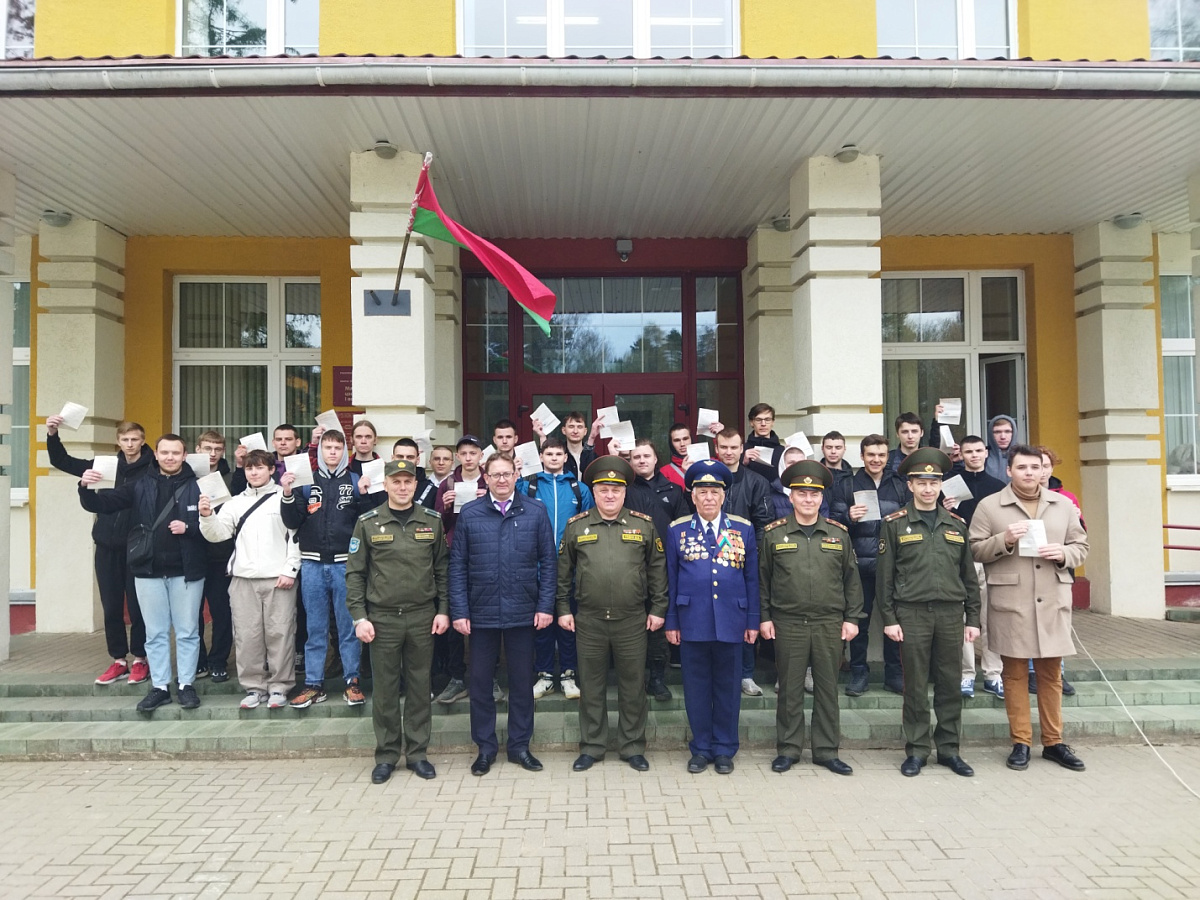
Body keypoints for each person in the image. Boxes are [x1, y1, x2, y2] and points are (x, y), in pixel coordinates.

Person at [969, 444, 1089, 773]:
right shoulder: (990, 506)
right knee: (1014, 674)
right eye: (1022, 467)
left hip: (1052, 598)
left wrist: (1063, 554)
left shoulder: (1063, 505)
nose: (1029, 473)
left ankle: (1053, 742)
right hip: (1012, 601)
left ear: (1044, 470)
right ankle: (1020, 742)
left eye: (1035, 467)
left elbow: (1081, 546)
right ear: (1009, 471)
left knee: (1051, 675)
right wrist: (1005, 539)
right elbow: (974, 549)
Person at [78, 434, 206, 713]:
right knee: (155, 633)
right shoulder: (138, 485)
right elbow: (101, 504)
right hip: (148, 571)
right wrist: (85, 487)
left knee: (187, 632)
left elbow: (220, 527)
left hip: (187, 571)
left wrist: (191, 527)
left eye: (175, 453)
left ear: (185, 456)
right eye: (165, 452)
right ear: (156, 455)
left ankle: (186, 685)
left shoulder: (201, 485)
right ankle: (160, 687)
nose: (170, 457)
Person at [448, 453, 557, 776]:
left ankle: (519, 746)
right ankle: (485, 748)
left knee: (522, 683)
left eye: (507, 474)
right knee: (480, 683)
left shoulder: (535, 511)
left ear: (515, 475)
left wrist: (545, 606)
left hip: (523, 612)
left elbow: (549, 562)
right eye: (495, 475)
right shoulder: (470, 513)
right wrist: (459, 610)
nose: (501, 480)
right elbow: (457, 567)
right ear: (486, 477)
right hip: (480, 614)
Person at [557, 457, 668, 772]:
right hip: (589, 620)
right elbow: (563, 573)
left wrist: (659, 608)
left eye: (615, 490)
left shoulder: (643, 525)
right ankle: (592, 747)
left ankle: (632, 746)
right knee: (591, 687)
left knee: (633, 686)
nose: (609, 495)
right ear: (594, 492)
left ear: (624, 493)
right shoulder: (576, 526)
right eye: (603, 490)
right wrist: (563, 609)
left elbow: (657, 569)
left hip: (631, 619)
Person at [877, 447, 980, 778]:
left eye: (934, 483)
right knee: (916, 686)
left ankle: (949, 749)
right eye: (921, 482)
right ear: (910, 485)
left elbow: (969, 576)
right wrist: (889, 619)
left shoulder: (956, 525)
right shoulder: (894, 525)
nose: (927, 489)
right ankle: (917, 750)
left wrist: (973, 618)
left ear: (941, 486)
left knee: (950, 683)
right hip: (912, 614)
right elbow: (884, 578)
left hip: (950, 614)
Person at [346, 459, 450, 782]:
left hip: (421, 617)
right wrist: (359, 618)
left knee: (420, 687)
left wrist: (443, 610)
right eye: (396, 482)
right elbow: (355, 574)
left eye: (408, 482)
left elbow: (442, 570)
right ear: (386, 485)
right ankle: (387, 755)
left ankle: (417, 753)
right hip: (383, 619)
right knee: (386, 690)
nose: (403, 487)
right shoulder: (368, 522)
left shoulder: (431, 521)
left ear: (415, 485)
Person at [760, 461, 862, 775]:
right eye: (801, 493)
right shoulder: (774, 534)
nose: (808, 499)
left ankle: (826, 751)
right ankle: (788, 749)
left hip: (828, 623)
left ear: (821, 498)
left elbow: (851, 580)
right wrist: (764, 617)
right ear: (791, 497)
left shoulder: (838, 534)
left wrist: (852, 618)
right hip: (788, 622)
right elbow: (763, 580)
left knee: (828, 690)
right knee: (789, 690)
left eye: (814, 494)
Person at [664, 459, 760, 775]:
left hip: (732, 621)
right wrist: (672, 621)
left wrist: (753, 620)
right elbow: (670, 578)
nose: (708, 498)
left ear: (723, 496)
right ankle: (701, 748)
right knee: (696, 689)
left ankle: (724, 749)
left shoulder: (742, 529)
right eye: (702, 492)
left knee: (728, 689)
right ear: (692, 496)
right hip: (692, 621)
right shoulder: (678, 530)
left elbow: (752, 578)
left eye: (714, 492)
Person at [47, 415, 156, 687]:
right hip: (107, 546)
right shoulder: (104, 466)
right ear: (118, 441)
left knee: (138, 606)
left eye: (135, 439)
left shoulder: (153, 467)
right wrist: (52, 434)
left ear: (143, 441)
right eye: (125, 439)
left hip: (139, 546)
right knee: (111, 606)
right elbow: (62, 461)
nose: (130, 444)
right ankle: (119, 660)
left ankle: (141, 658)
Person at [199, 448, 299, 710]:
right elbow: (218, 534)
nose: (254, 472)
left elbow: (296, 536)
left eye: (260, 467)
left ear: (271, 470)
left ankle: (279, 687)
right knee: (247, 636)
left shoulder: (284, 497)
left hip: (279, 579)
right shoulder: (235, 503)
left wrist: (290, 570)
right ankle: (254, 687)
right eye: (249, 468)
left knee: (280, 634)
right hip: (243, 580)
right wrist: (207, 516)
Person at [279, 429, 365, 708]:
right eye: (327, 447)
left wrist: (365, 495)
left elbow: (365, 522)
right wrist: (288, 493)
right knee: (315, 628)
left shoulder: (355, 481)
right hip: (312, 564)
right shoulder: (306, 482)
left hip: (345, 565)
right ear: (319, 451)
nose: (332, 452)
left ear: (345, 451)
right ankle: (314, 684)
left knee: (348, 627)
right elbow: (292, 521)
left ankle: (352, 682)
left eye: (337, 448)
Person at [517, 435, 594, 700]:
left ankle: (569, 675)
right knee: (542, 625)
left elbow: (588, 525)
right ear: (541, 456)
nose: (553, 458)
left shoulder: (579, 489)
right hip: (537, 568)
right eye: (548, 454)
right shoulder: (527, 485)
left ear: (565, 457)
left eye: (558, 454)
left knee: (568, 624)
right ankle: (545, 675)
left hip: (570, 570)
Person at [942, 435, 1007, 700]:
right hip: (960, 559)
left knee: (991, 618)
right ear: (962, 455)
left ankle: (993, 674)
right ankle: (966, 674)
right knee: (962, 618)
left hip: (991, 559)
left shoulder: (999, 487)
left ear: (986, 452)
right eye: (969, 452)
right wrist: (944, 509)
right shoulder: (950, 486)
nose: (974, 455)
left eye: (979, 451)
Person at [625, 438, 690, 701]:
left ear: (655, 459)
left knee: (657, 623)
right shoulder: (625, 490)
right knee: (632, 625)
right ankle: (633, 680)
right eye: (636, 457)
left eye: (646, 456)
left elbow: (683, 527)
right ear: (630, 461)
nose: (641, 460)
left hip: (662, 568)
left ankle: (657, 678)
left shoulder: (673, 490)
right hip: (629, 566)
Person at [712, 427, 773, 697]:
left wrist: (753, 556)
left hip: (744, 560)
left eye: (734, 447)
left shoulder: (756, 482)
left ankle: (746, 674)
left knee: (745, 617)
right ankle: (719, 674)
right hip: (710, 560)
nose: (729, 452)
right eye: (724, 447)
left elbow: (763, 523)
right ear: (716, 449)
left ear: (742, 449)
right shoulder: (708, 480)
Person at [433, 435, 489, 705]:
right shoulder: (448, 483)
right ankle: (457, 677)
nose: (468, 458)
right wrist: (445, 507)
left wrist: (487, 500)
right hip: (456, 555)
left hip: (485, 555)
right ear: (458, 456)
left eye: (473, 453)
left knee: (486, 619)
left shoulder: (489, 480)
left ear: (481, 456)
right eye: (464, 453)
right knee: (457, 617)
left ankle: (489, 677)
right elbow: (438, 525)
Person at [193, 430, 235, 684]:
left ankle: (219, 660)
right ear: (198, 449)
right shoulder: (185, 476)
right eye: (207, 448)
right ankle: (198, 661)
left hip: (221, 555)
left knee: (222, 612)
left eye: (217, 449)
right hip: (191, 554)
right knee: (192, 614)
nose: (212, 453)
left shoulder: (231, 477)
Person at [743, 403, 784, 484]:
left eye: (767, 420)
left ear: (772, 422)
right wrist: (744, 463)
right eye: (758, 420)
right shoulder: (742, 449)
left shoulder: (782, 451)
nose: (763, 424)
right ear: (751, 422)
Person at [884, 412, 926, 476]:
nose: (910, 436)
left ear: (922, 433)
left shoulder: (930, 459)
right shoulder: (887, 460)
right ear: (897, 434)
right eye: (905, 432)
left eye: (914, 431)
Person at [984, 415, 1018, 483]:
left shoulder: (1024, 456)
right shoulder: (982, 457)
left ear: (1014, 433)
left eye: (1007, 431)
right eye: (997, 432)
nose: (1003, 437)